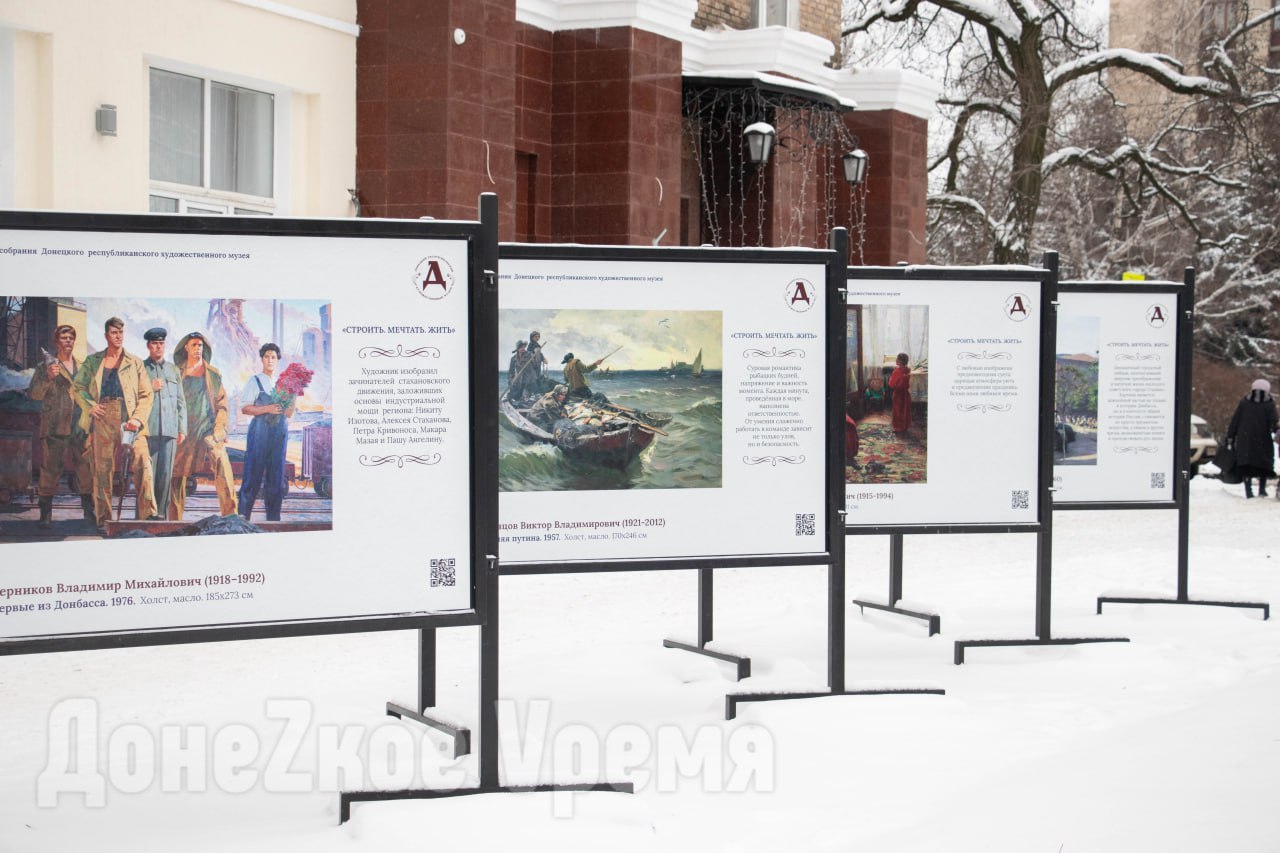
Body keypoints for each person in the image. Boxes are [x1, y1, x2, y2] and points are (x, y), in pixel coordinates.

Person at [71, 317, 157, 531]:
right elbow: (76, 388)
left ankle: (149, 515)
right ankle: (104, 519)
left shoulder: (134, 362)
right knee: (102, 470)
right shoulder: (93, 361)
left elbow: (146, 395)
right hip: (103, 416)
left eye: (121, 332)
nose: (118, 336)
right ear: (106, 335)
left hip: (130, 418)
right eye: (114, 333)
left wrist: (137, 419)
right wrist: (90, 405)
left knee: (142, 461)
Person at [26, 324, 92, 528]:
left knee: (85, 471)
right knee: (50, 471)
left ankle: (89, 514)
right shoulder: (44, 366)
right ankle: (45, 515)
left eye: (71, 337)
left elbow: (89, 396)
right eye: (64, 337)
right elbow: (34, 394)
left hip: (80, 427)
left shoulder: (82, 366)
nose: (68, 341)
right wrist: (48, 377)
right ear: (56, 342)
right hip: (55, 427)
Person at [170, 332, 238, 519]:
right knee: (176, 476)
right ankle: (174, 521)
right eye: (194, 345)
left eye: (200, 345)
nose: (198, 349)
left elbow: (222, 405)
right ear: (186, 348)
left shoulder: (213, 375)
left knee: (221, 461)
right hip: (183, 431)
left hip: (208, 430)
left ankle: (231, 515)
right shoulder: (175, 372)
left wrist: (219, 430)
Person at [237, 343, 295, 521]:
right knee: (252, 477)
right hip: (259, 434)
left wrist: (294, 393)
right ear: (262, 359)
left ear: (278, 361)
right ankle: (242, 519)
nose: (270, 360)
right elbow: (245, 408)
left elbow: (288, 413)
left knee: (276, 479)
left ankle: (273, 521)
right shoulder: (255, 381)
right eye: (267, 356)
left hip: (279, 435)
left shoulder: (283, 384)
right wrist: (267, 408)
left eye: (274, 357)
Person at [141, 327, 186, 520]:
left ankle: (161, 517)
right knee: (146, 476)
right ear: (148, 346)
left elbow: (181, 402)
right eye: (154, 344)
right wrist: (150, 387)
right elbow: (133, 396)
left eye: (161, 343)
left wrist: (182, 429)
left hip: (169, 430)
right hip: (148, 429)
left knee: (165, 477)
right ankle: (144, 517)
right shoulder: (140, 369)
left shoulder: (173, 370)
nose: (158, 347)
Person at [1226, 378, 1278, 498]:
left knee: (1246, 464)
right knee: (1263, 463)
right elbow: (1274, 422)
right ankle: (1262, 489)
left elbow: (1236, 420)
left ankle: (1248, 490)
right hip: (1263, 439)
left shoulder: (1244, 402)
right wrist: (1277, 431)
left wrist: (1230, 436)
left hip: (1246, 439)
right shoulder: (1269, 403)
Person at [888, 352, 913, 434]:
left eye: (897, 359)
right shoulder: (908, 369)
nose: (896, 360)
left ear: (901, 361)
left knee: (898, 411)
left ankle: (898, 428)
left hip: (898, 394)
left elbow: (891, 384)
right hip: (906, 394)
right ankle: (905, 427)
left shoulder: (897, 370)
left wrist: (891, 379)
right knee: (905, 410)